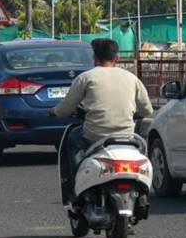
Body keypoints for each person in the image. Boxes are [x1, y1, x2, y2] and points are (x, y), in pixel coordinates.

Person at [48, 38, 153, 207]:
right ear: (117, 58)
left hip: (94, 136)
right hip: (127, 136)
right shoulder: (132, 78)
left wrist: (53, 112)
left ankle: (76, 188)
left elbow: (66, 108)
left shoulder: (86, 78)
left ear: (94, 58)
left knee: (73, 139)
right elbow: (147, 110)